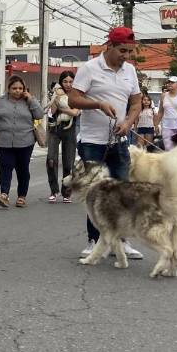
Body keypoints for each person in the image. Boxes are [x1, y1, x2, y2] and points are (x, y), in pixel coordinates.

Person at [66, 27, 144, 259]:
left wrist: (128, 122)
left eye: (129, 52)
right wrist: (98, 104)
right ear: (109, 46)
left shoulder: (130, 70)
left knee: (122, 192)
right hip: (92, 141)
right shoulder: (89, 68)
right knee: (95, 193)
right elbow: (73, 99)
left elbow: (136, 103)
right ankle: (94, 241)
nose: (126, 56)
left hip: (119, 140)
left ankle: (121, 240)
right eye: (122, 51)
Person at [0, 75, 44, 207]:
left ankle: (21, 196)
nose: (17, 91)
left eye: (20, 88)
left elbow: (39, 115)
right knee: (5, 167)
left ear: (24, 89)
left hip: (25, 142)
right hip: (4, 142)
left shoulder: (29, 101)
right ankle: (4, 194)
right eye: (14, 88)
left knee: (22, 169)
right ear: (8, 88)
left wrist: (31, 99)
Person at [46, 71, 80, 203]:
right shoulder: (56, 93)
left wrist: (64, 108)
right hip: (55, 128)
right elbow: (52, 111)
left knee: (68, 162)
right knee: (51, 160)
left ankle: (66, 192)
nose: (68, 84)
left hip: (70, 129)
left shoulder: (77, 95)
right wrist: (56, 98)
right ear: (61, 82)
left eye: (71, 81)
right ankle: (54, 191)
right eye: (65, 81)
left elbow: (75, 112)